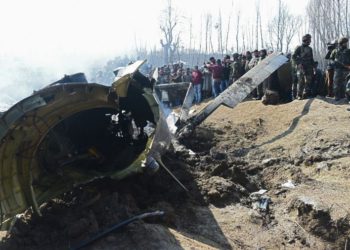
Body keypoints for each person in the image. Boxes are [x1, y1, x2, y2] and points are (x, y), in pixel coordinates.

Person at [292, 34, 314, 99]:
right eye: (309, 40)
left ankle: (305, 93)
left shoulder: (310, 49)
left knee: (308, 81)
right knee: (301, 81)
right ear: (306, 40)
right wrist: (298, 63)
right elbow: (293, 57)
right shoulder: (299, 48)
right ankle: (299, 95)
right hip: (301, 67)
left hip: (309, 67)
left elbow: (311, 58)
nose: (310, 41)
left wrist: (314, 65)